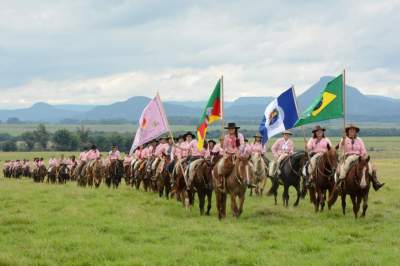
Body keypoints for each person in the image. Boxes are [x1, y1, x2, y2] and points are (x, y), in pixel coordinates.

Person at [336, 124, 384, 191]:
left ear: (356, 132)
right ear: (348, 131)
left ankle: (375, 182)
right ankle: (340, 183)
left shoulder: (359, 140)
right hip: (348, 157)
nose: (352, 131)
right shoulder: (344, 139)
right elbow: (340, 148)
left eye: (354, 130)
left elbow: (363, 150)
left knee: (370, 167)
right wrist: (343, 140)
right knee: (345, 167)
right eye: (351, 130)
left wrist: (363, 156)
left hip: (359, 157)